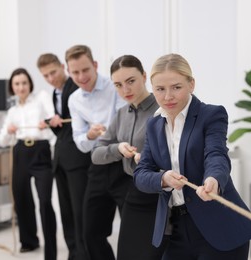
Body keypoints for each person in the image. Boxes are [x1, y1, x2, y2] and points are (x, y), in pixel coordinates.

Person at [133, 54, 251, 260]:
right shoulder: (153, 125)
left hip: (218, 227)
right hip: (174, 230)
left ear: (191, 84)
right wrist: (163, 179)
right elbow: (141, 174)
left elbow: (216, 154)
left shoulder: (211, 115)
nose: (168, 97)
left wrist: (213, 180)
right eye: (160, 89)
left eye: (176, 87)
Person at [91, 55, 167, 260]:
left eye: (131, 81)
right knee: (127, 252)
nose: (126, 90)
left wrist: (150, 162)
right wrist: (118, 149)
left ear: (144, 76)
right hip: (133, 191)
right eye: (118, 84)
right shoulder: (121, 113)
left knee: (152, 254)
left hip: (160, 194)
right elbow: (96, 154)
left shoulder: (163, 109)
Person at [66, 45, 131, 260]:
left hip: (124, 165)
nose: (81, 76)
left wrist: (101, 133)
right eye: (75, 72)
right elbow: (80, 142)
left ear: (95, 65)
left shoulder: (115, 87)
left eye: (85, 70)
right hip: (98, 165)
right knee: (91, 233)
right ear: (69, 72)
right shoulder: (74, 100)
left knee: (132, 230)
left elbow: (124, 127)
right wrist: (91, 136)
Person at [0, 68, 57, 260]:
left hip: (40, 151)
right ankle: (29, 241)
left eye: (24, 83)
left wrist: (47, 123)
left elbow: (53, 121)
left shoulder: (41, 99)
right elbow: (2, 141)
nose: (21, 87)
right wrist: (8, 130)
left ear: (30, 83)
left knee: (45, 201)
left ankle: (51, 247)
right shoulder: (12, 112)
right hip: (20, 152)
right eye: (17, 84)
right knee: (22, 199)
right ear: (12, 87)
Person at [37, 53, 91, 260]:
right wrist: (52, 122)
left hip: (78, 160)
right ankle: (73, 253)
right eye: (45, 76)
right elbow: (64, 131)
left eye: (53, 72)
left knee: (79, 212)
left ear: (62, 67)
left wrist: (57, 121)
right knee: (66, 213)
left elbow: (81, 124)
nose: (51, 78)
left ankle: (84, 254)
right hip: (60, 161)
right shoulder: (54, 94)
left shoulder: (76, 88)